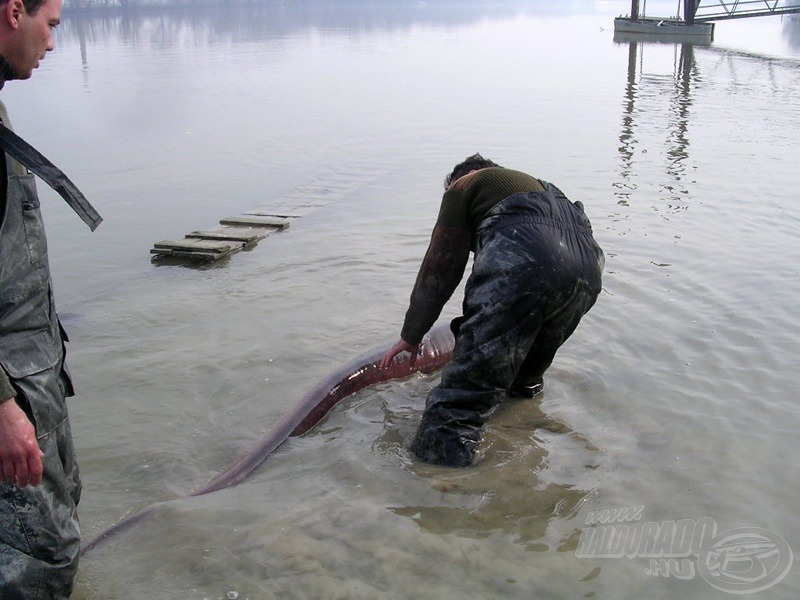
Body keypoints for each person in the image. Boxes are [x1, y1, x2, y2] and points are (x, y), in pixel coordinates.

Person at [381, 154, 604, 467]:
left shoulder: (466, 184)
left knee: (458, 406)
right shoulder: (546, 191)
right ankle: (522, 438)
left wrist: (412, 333)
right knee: (522, 380)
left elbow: (442, 266)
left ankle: (437, 486)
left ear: (471, 172)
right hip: (588, 273)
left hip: (527, 265)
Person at [0, 1, 84, 597]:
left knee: (53, 537)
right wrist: (2, 405)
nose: (53, 42)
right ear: (12, 12)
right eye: (50, 24)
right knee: (41, 559)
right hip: (13, 391)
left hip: (34, 381)